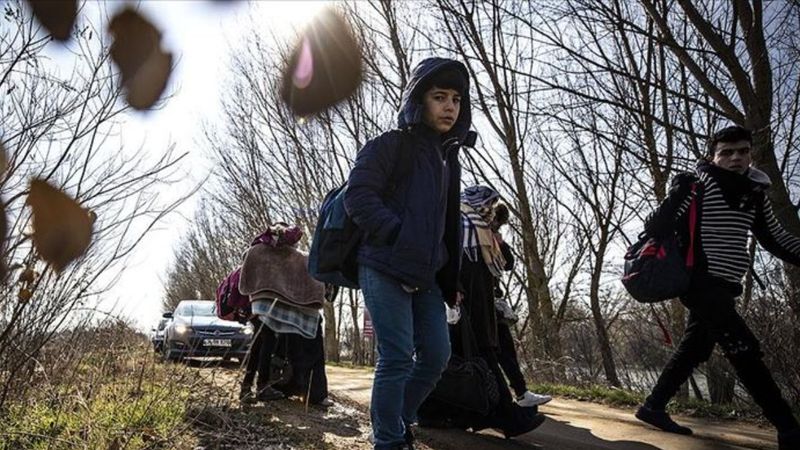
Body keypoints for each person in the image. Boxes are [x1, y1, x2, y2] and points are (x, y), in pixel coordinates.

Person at [635, 125, 800, 450]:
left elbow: (776, 239)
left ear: (751, 155)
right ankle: (788, 428)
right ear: (714, 156)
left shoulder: (754, 195)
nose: (736, 158)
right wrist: (676, 193)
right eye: (727, 152)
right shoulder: (697, 187)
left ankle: (653, 406)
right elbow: (655, 227)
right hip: (699, 282)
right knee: (745, 351)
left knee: (696, 348)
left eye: (742, 151)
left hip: (726, 286)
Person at [344, 57, 475, 450]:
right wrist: (398, 234)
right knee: (397, 356)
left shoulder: (448, 160)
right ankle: (388, 442)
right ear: (419, 101)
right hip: (383, 264)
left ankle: (397, 421)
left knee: (436, 357)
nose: (450, 106)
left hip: (429, 276)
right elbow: (358, 197)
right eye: (439, 97)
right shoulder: (389, 145)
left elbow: (449, 228)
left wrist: (451, 281)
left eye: (456, 98)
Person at [490, 203, 552, 408]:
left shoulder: (492, 236)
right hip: (477, 301)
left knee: (503, 348)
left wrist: (500, 243)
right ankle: (514, 394)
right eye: (496, 222)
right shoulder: (471, 232)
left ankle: (519, 392)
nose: (497, 227)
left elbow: (508, 263)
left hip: (491, 300)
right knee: (498, 349)